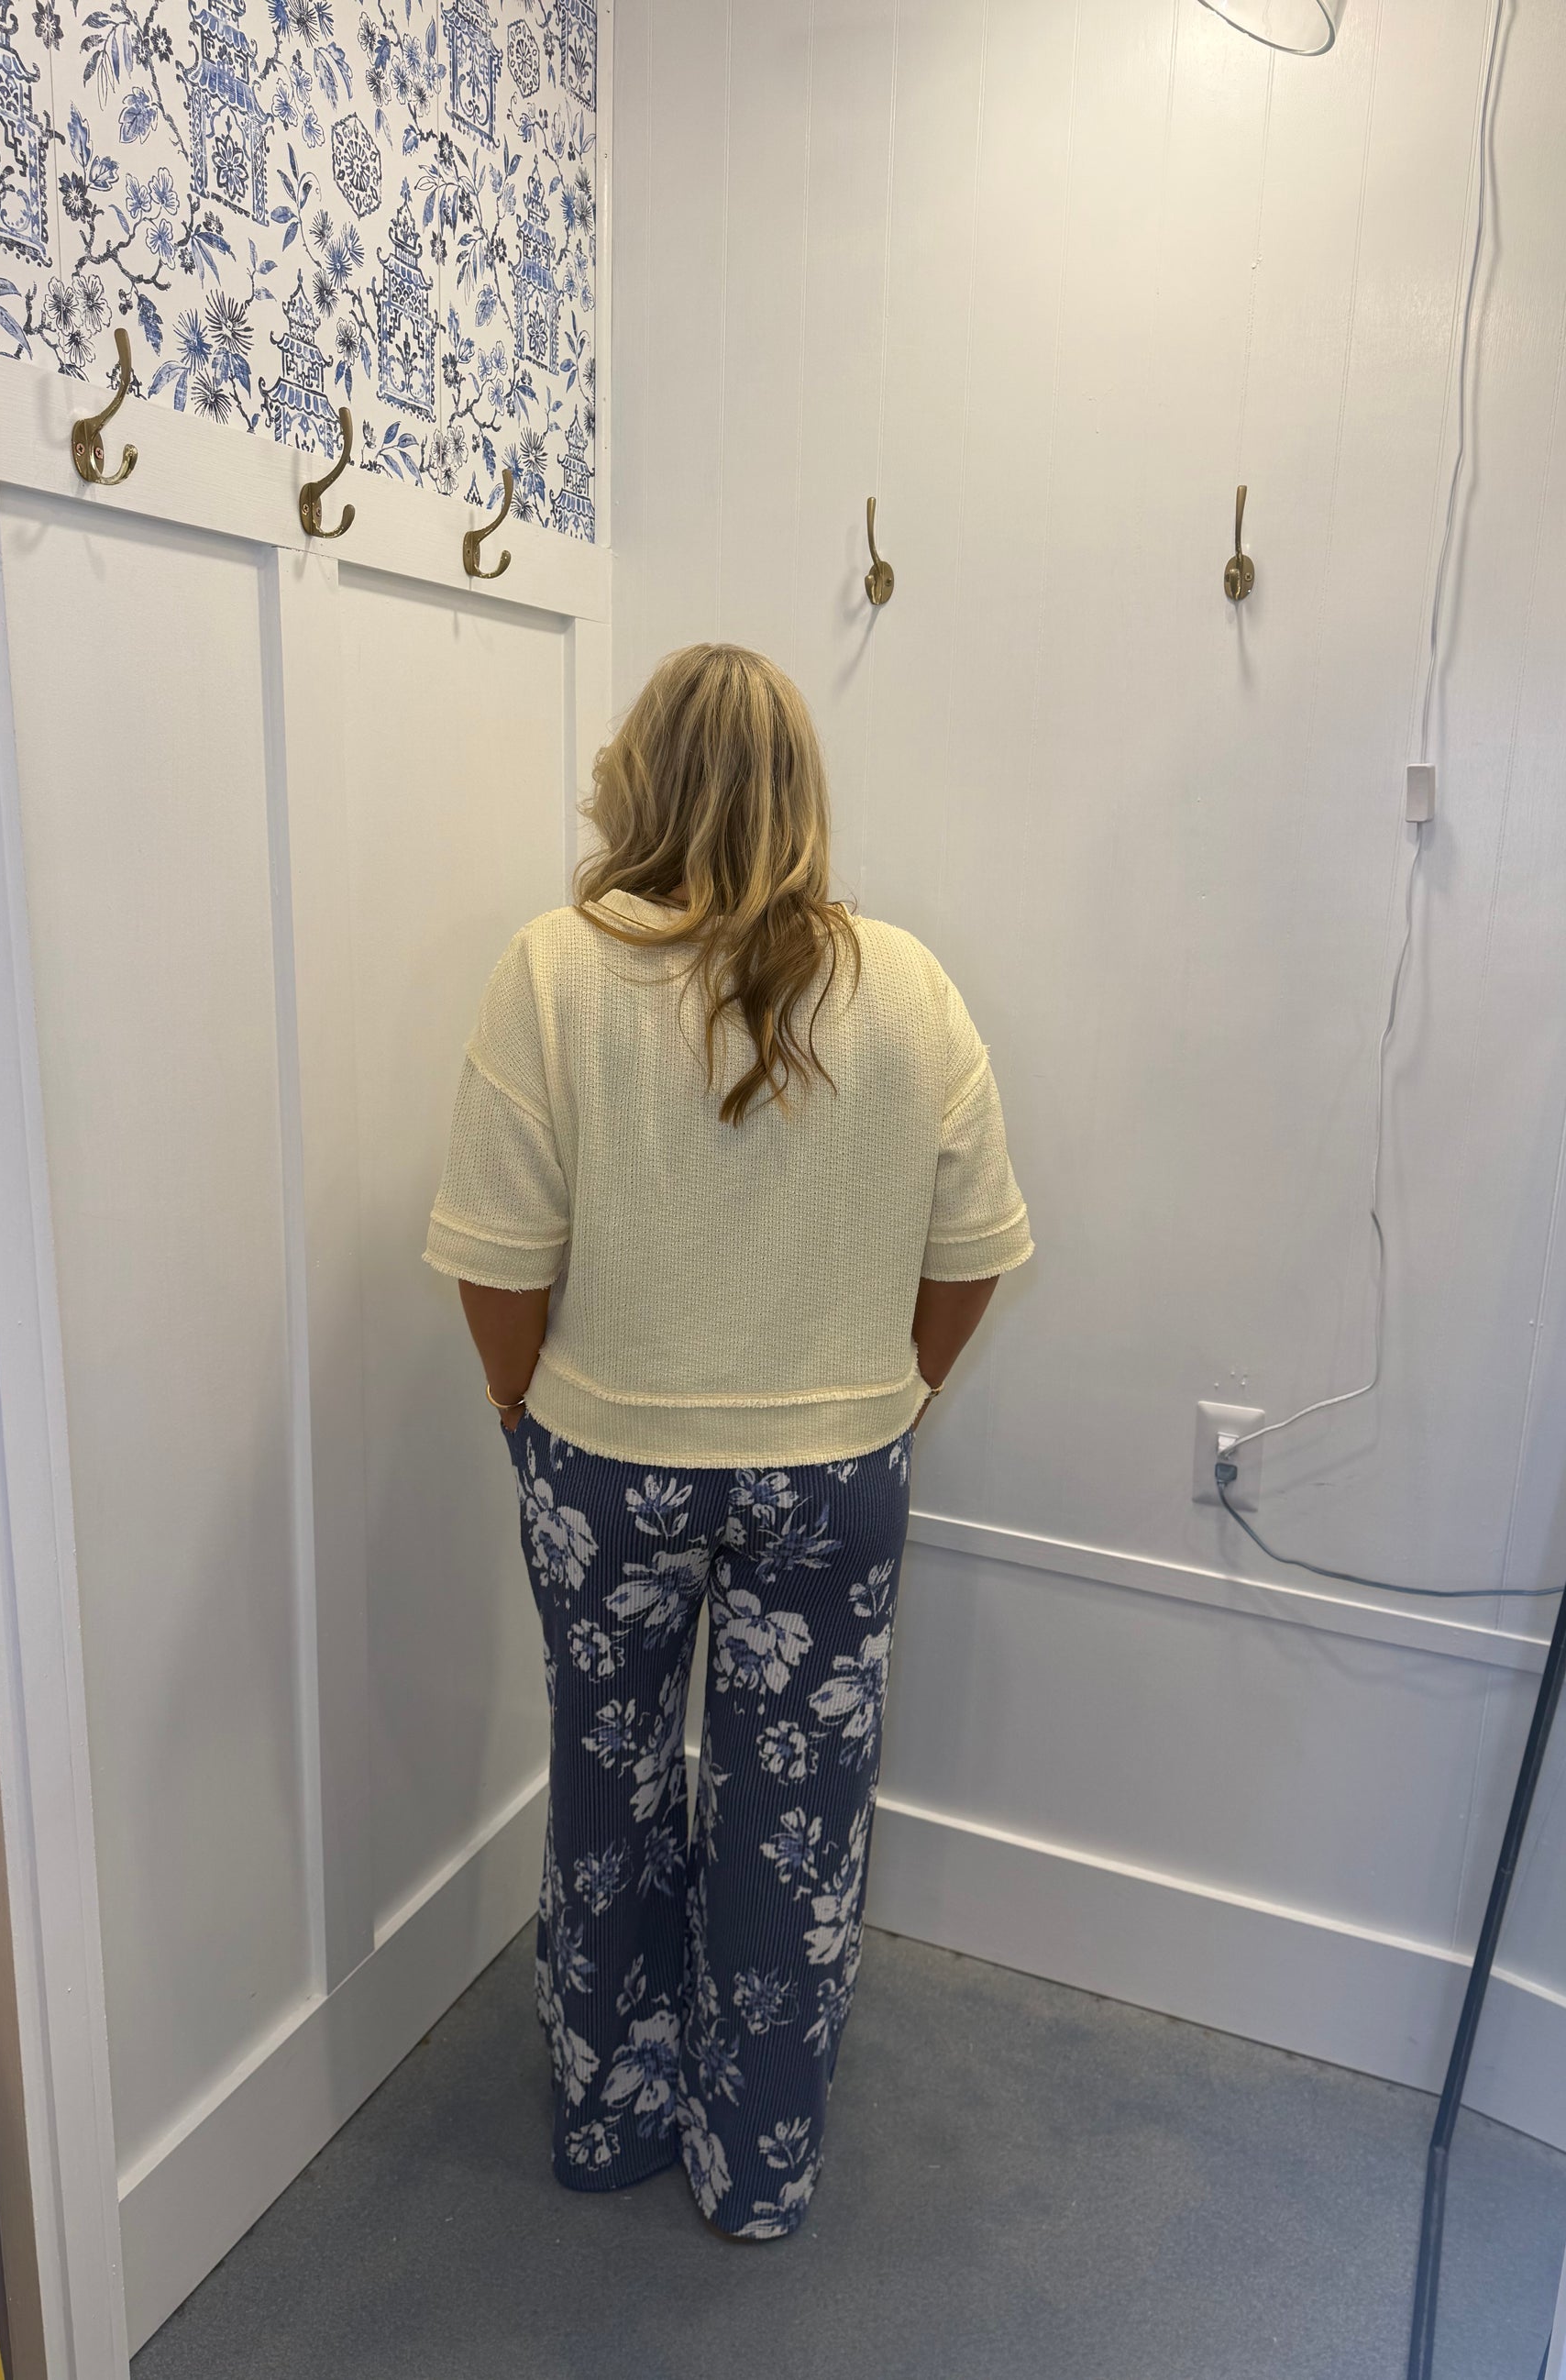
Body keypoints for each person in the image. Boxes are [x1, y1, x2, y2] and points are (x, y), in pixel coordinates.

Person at [425, 643, 1031, 2239]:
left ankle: (609, 2117)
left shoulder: (551, 972)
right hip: (835, 1476)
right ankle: (756, 2167)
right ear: (796, 791)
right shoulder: (907, 983)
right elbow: (975, 1249)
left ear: (638, 781)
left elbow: (495, 1260)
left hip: (603, 1467)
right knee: (797, 1817)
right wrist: (895, 1395)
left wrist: (513, 1401)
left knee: (607, 1784)